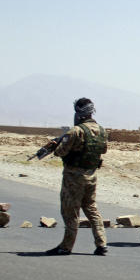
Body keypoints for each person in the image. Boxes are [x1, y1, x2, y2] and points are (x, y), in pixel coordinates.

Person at [45, 98, 108, 256]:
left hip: (74, 177)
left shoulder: (76, 131)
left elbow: (61, 152)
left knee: (70, 211)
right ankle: (101, 243)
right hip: (92, 175)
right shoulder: (102, 130)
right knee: (91, 208)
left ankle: (66, 246)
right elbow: (103, 150)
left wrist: (55, 146)